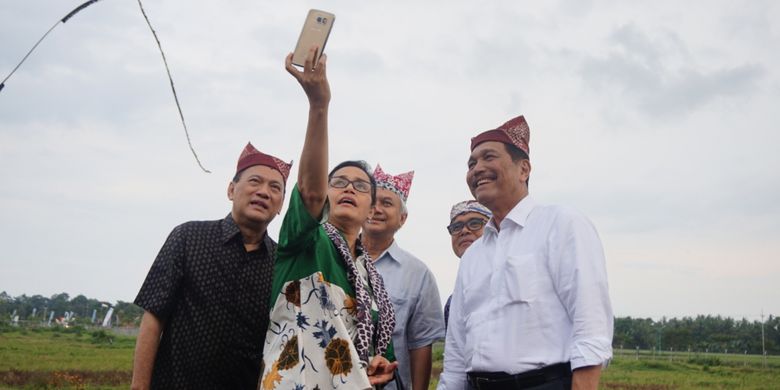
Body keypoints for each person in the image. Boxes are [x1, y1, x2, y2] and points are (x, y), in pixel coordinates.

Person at [438, 115, 613, 390]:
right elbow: (456, 355)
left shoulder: (560, 224)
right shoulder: (473, 256)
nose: (477, 168)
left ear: (524, 169)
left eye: (488, 157)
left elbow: (591, 325)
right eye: (472, 164)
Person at [259, 47, 397, 390]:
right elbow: (308, 191)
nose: (349, 188)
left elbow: (369, 353)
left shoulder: (373, 280)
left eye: (361, 186)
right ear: (325, 197)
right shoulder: (305, 242)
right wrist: (319, 106)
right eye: (338, 182)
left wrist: (376, 367)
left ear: (372, 209)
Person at [131, 142, 291, 390]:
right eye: (254, 181)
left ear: (280, 205)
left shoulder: (280, 263)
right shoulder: (188, 237)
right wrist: (139, 386)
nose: (263, 192)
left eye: (275, 188)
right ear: (231, 189)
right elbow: (153, 317)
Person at [362, 164, 446, 390]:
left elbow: (421, 344)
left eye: (386, 203)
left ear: (402, 218)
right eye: (371, 201)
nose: (376, 209)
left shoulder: (418, 274)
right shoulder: (335, 258)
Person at [443, 200, 491, 331]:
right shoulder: (453, 303)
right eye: (456, 227)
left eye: (475, 223)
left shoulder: (510, 283)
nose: (464, 231)